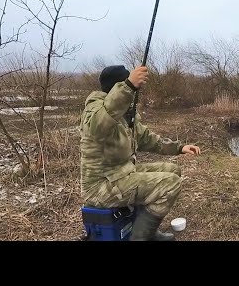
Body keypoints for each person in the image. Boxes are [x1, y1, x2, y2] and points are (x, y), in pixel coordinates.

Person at [79, 65, 201, 241]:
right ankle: (139, 238)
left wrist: (179, 148)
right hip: (101, 185)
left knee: (173, 170)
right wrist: (128, 86)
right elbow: (97, 127)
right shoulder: (94, 110)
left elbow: (147, 138)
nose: (134, 93)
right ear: (117, 88)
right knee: (170, 183)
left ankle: (148, 232)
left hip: (121, 174)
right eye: (130, 88)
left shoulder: (125, 114)